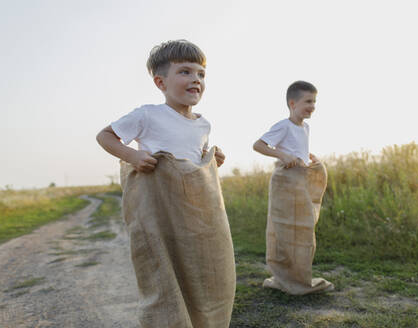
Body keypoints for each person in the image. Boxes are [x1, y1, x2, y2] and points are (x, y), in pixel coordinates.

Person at [96, 40, 235, 328]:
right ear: (161, 82)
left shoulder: (202, 124)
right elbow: (105, 136)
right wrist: (132, 155)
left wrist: (211, 158)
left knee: (199, 268)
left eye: (201, 74)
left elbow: (193, 163)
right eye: (185, 72)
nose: (196, 79)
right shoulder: (148, 115)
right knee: (164, 269)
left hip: (193, 212)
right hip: (158, 208)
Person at [253, 80, 334, 295]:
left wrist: (308, 157)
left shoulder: (305, 127)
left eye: (314, 101)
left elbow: (297, 149)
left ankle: (298, 277)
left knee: (303, 229)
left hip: (301, 181)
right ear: (292, 103)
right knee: (283, 230)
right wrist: (283, 155)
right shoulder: (283, 125)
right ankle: (284, 278)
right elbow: (258, 145)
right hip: (285, 181)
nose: (312, 106)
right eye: (308, 101)